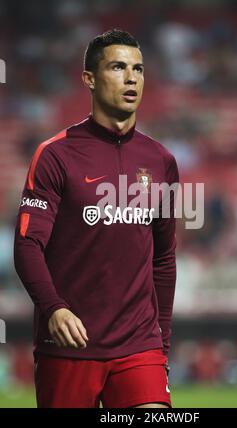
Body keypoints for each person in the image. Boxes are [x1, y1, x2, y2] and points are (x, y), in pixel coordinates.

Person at [14, 29, 179, 408]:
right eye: (118, 67)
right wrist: (54, 307)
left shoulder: (161, 162)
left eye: (138, 69)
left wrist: (162, 344)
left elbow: (164, 259)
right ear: (89, 78)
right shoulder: (56, 156)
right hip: (70, 346)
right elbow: (27, 244)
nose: (131, 77)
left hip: (139, 347)